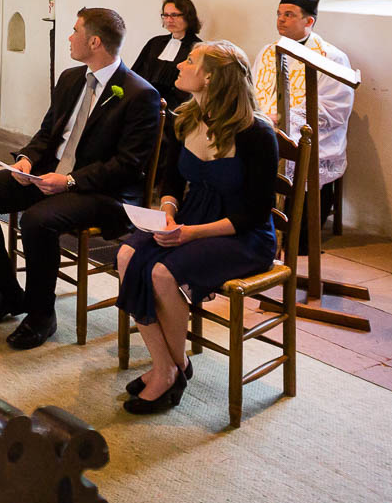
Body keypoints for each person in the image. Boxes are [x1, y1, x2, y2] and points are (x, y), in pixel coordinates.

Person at [0, 8, 161, 350]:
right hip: (52, 174)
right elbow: (47, 133)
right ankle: (8, 294)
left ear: (94, 41)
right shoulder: (70, 78)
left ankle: (41, 315)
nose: (69, 36)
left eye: (75, 30)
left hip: (103, 193)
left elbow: (128, 166)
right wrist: (26, 160)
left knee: (38, 220)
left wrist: (69, 182)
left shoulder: (139, 94)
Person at [114, 41, 279, 414]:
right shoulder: (185, 117)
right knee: (127, 255)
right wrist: (169, 212)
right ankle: (171, 365)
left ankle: (165, 374)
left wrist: (188, 234)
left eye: (189, 61)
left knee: (160, 272)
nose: (180, 65)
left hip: (242, 236)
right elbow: (171, 182)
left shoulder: (256, 135)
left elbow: (253, 215)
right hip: (190, 219)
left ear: (209, 77)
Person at [253, 0, 354, 207]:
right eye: (279, 14)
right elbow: (252, 93)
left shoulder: (331, 58)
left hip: (308, 138)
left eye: (289, 15)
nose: (280, 20)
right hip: (266, 130)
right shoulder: (267, 52)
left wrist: (281, 119)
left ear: (309, 21)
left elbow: (334, 109)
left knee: (299, 236)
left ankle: (298, 225)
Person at [130, 0, 202, 110]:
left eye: (174, 15)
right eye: (166, 15)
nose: (169, 20)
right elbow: (135, 74)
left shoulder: (198, 48)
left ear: (188, 17)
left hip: (175, 109)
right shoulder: (155, 43)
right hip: (143, 103)